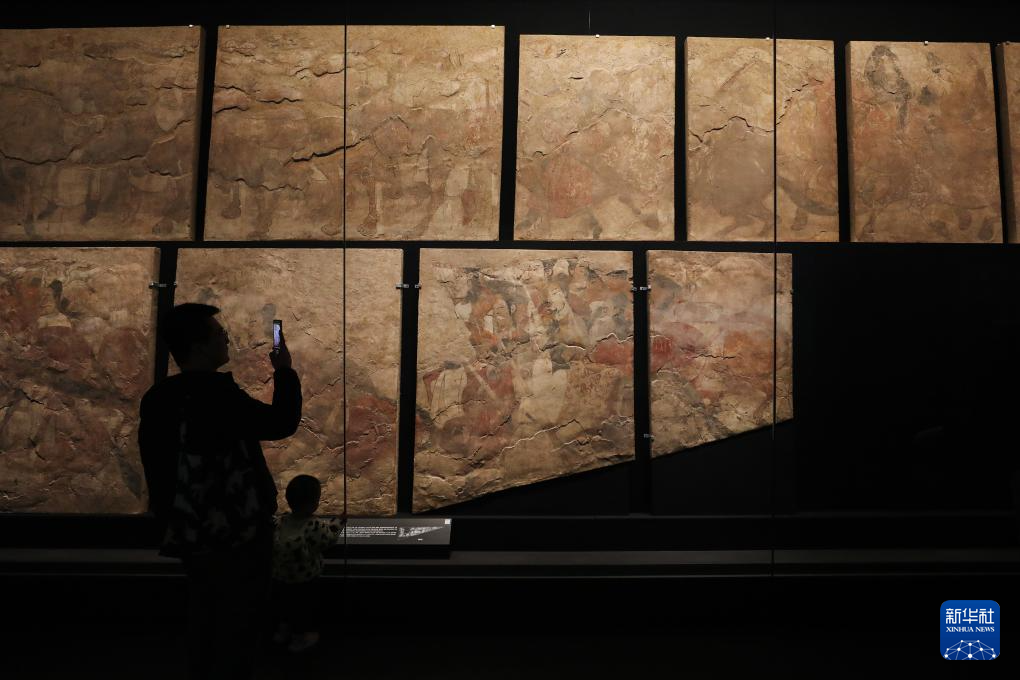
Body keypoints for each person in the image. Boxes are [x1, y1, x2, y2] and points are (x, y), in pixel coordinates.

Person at [138, 303, 302, 680]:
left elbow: (158, 468)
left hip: (190, 531)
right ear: (198, 345)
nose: (225, 338)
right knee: (238, 624)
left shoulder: (159, 397)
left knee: (204, 615)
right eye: (218, 333)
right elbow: (281, 422)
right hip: (237, 533)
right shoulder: (217, 395)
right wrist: (284, 371)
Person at [271, 474, 343, 653]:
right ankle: (300, 639)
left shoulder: (280, 521)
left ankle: (282, 632)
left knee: (284, 606)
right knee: (303, 609)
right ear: (314, 503)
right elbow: (329, 538)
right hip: (305, 579)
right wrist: (339, 522)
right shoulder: (314, 525)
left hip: (281, 578)